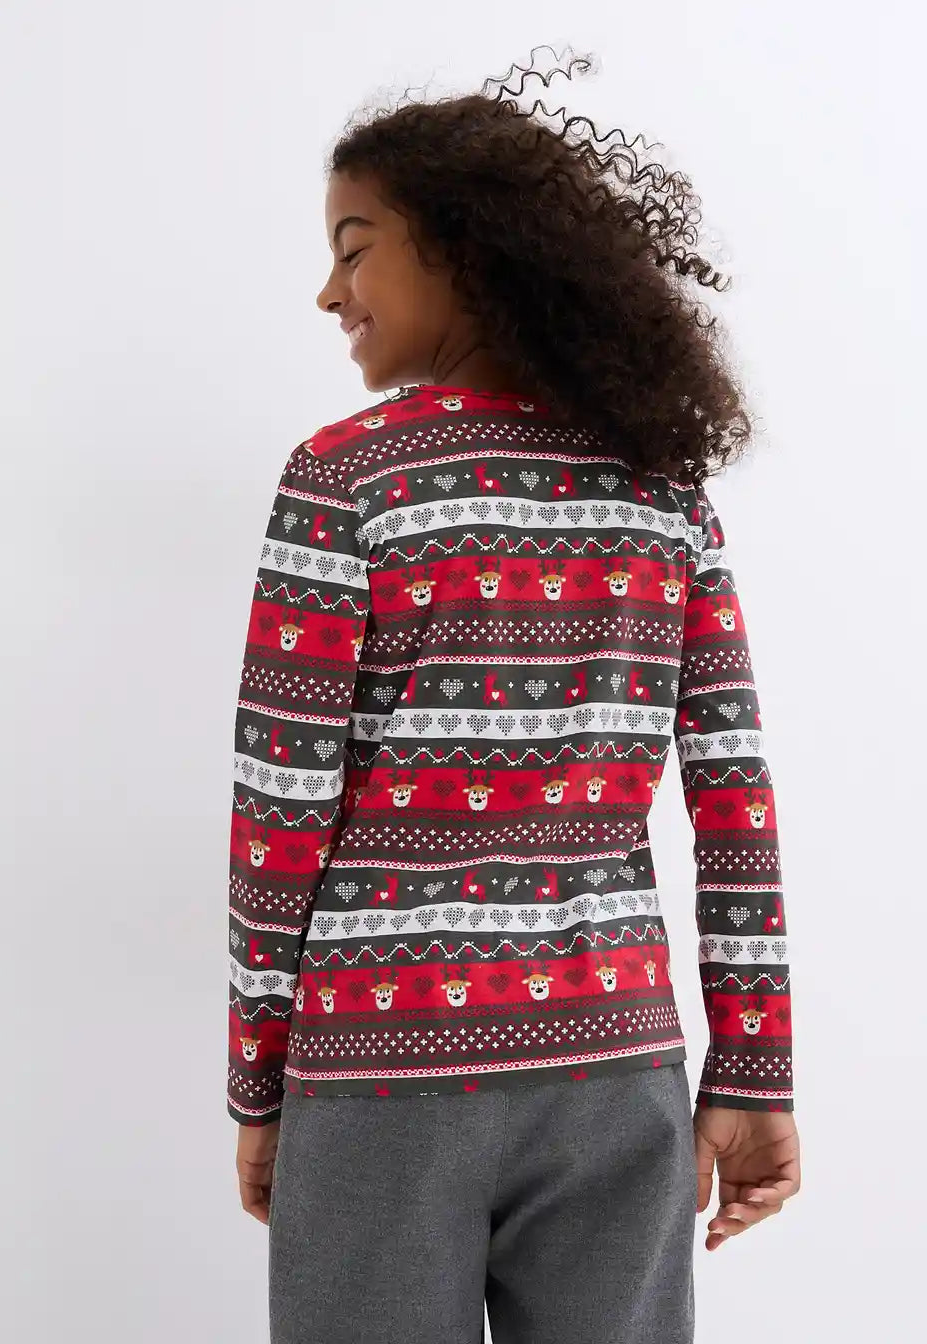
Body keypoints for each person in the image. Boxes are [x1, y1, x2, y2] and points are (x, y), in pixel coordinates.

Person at [227, 46, 801, 1344]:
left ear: (465, 254)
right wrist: (754, 1064)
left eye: (355, 248)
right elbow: (733, 796)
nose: (329, 290)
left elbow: (280, 822)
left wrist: (261, 1084)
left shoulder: (346, 481)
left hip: (380, 1076)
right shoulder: (663, 492)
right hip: (615, 1064)